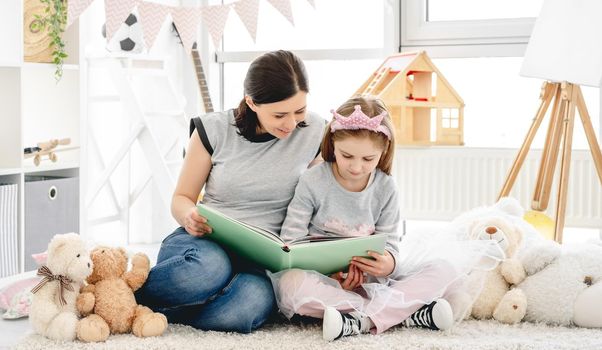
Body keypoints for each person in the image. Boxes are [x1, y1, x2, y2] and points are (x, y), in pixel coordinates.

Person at [270, 96, 504, 341]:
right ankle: (406, 313)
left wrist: (388, 264)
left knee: (444, 269)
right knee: (289, 285)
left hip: (376, 283)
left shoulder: (386, 187)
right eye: (346, 155)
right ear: (332, 144)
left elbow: (391, 243)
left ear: (383, 153)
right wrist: (329, 276)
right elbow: (291, 240)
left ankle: (361, 320)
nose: (356, 167)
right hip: (325, 281)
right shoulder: (313, 180)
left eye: (368, 159)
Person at [135, 50, 325, 333]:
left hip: (263, 259)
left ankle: (168, 313)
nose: (291, 123)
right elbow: (181, 198)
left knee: (246, 306)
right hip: (206, 244)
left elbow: (323, 200)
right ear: (251, 102)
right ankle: (123, 297)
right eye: (279, 114)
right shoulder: (213, 130)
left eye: (299, 110)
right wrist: (189, 216)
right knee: (208, 270)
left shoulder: (316, 131)